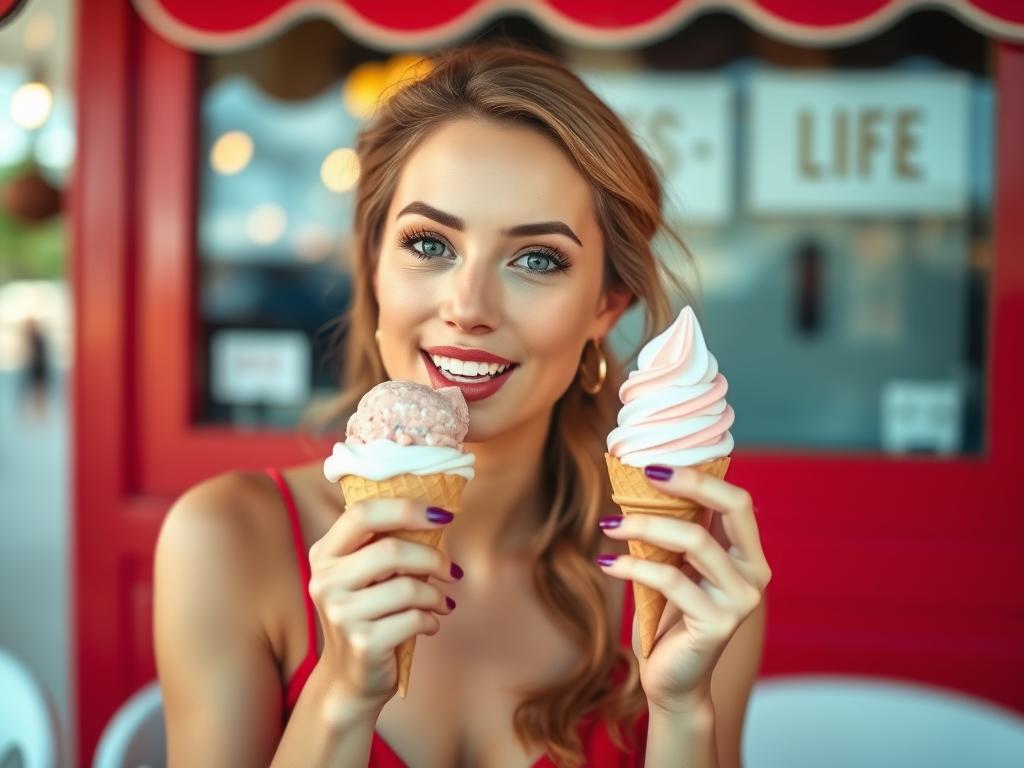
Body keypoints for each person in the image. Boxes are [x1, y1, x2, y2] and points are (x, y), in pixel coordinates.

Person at [154, 44, 772, 768]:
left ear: (607, 306)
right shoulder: (227, 543)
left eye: (537, 258)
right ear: (374, 269)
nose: (468, 307)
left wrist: (681, 712)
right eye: (429, 243)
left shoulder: (686, 577)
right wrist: (344, 692)